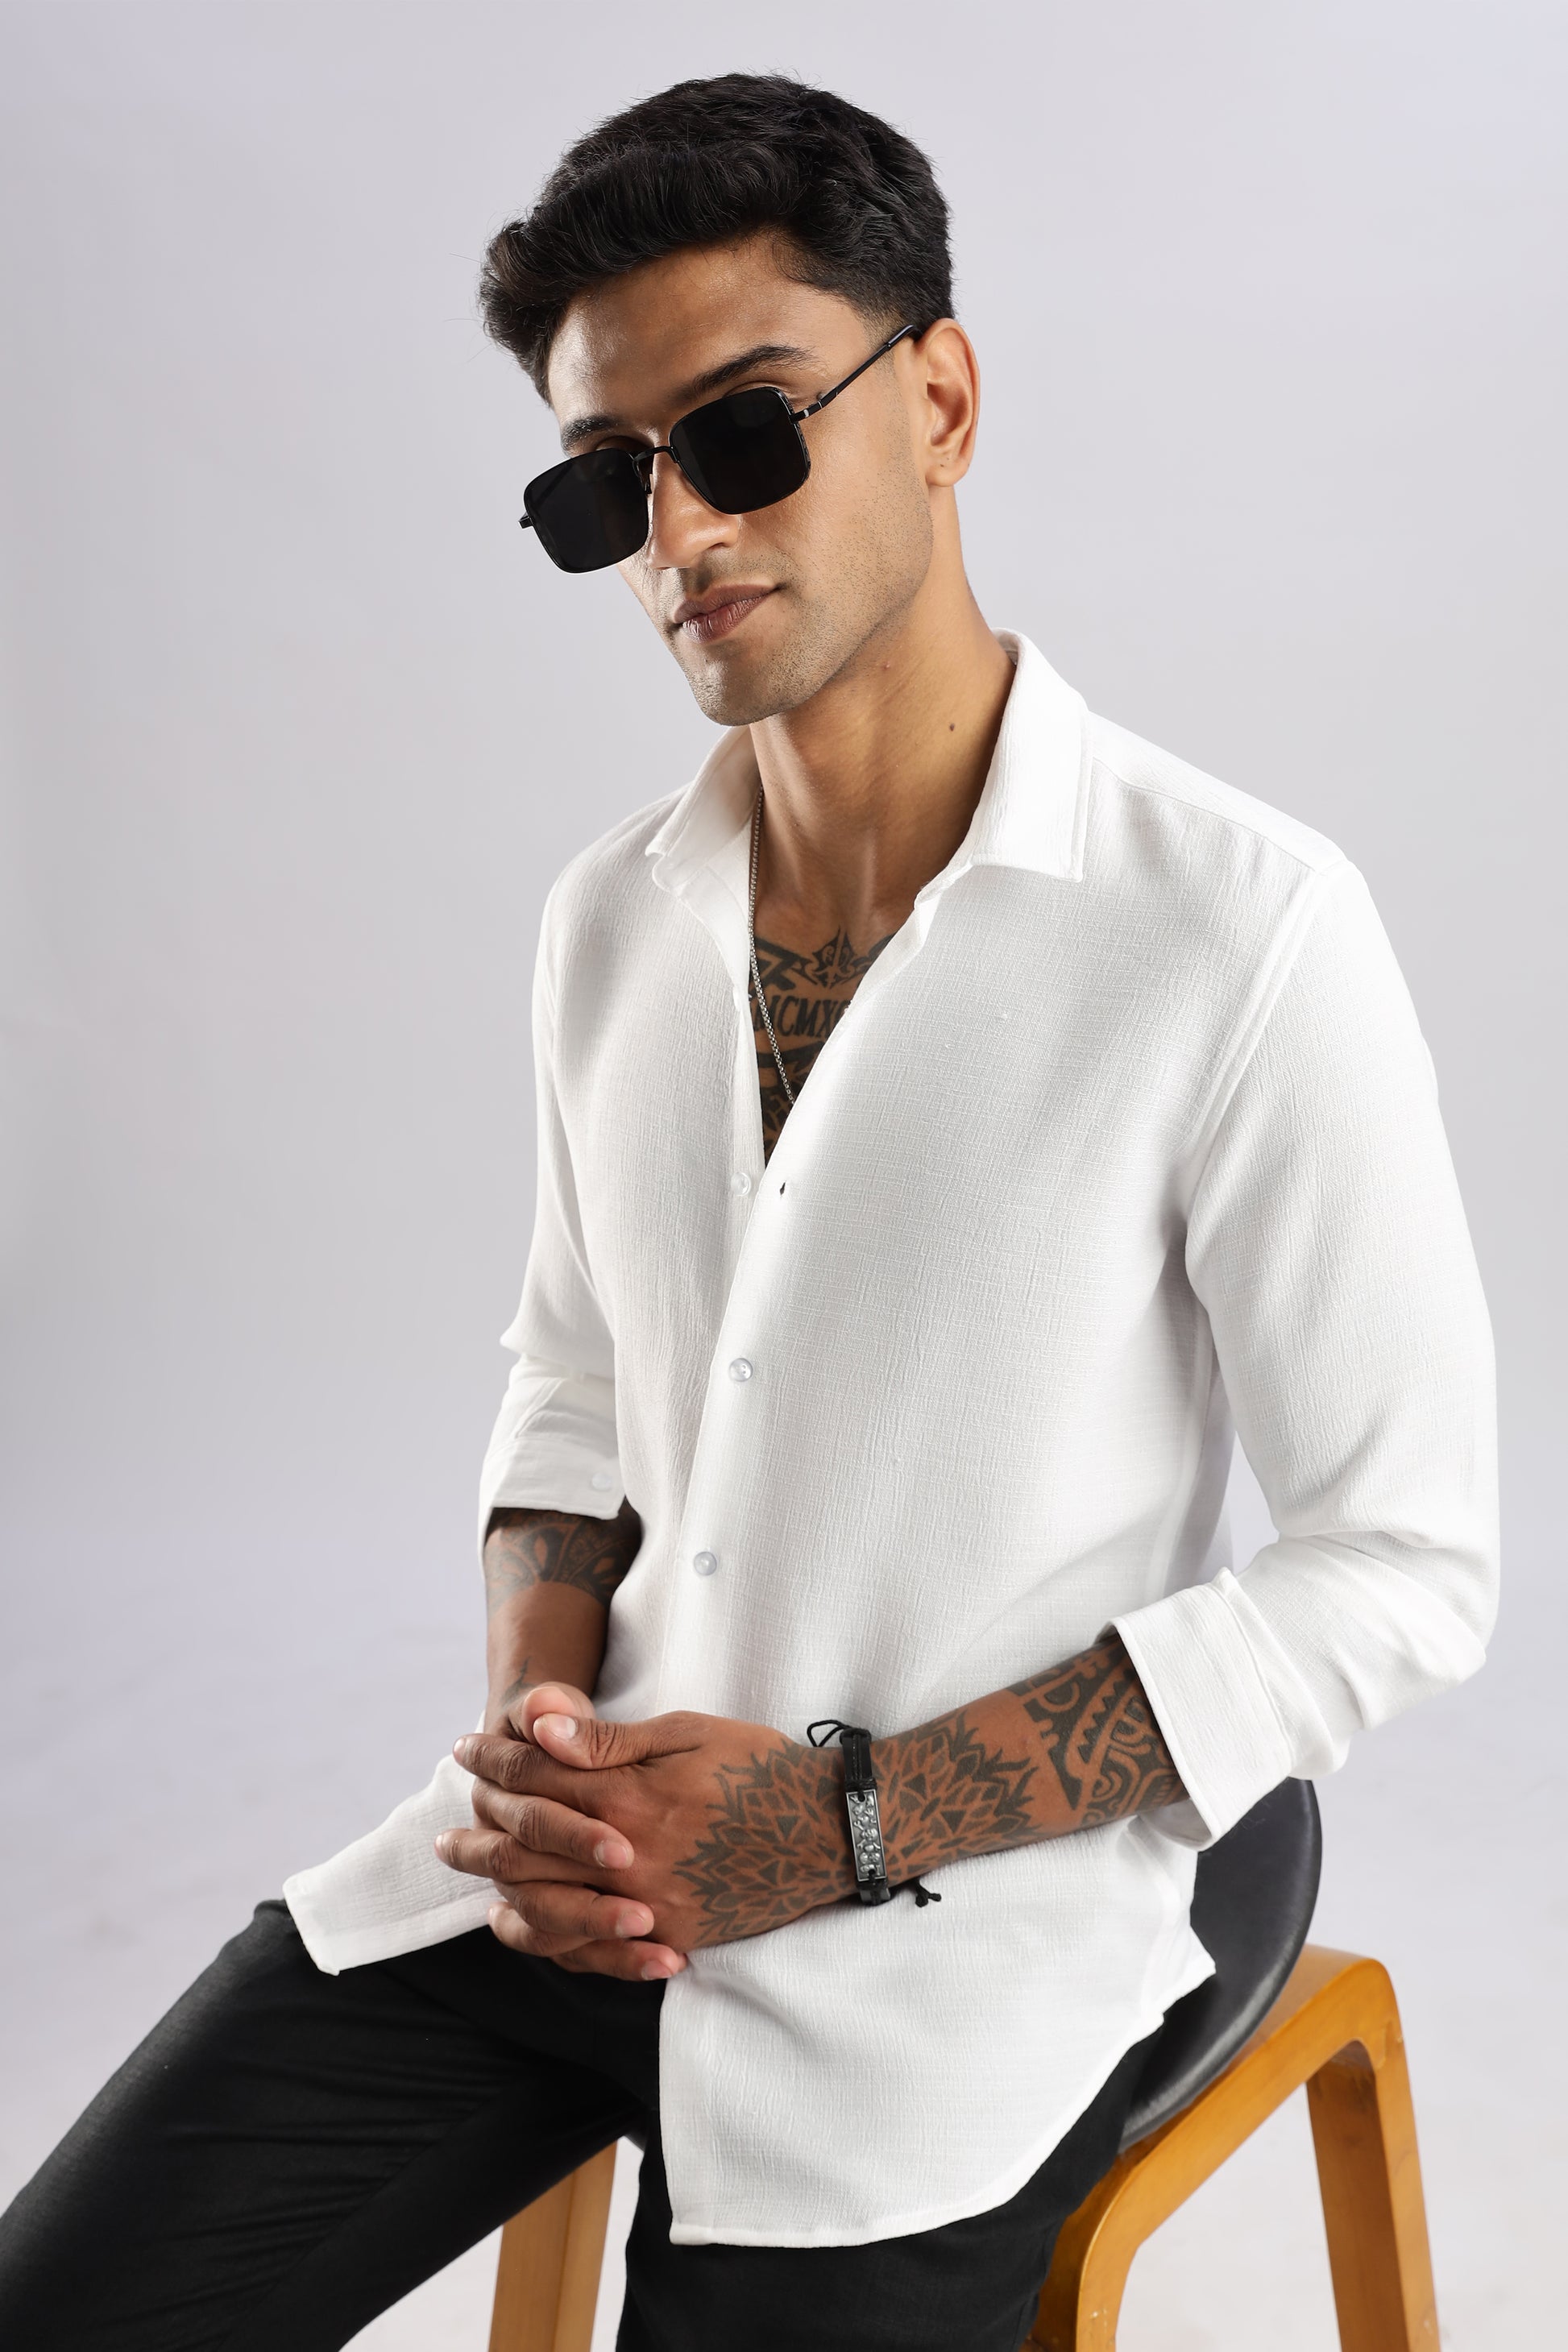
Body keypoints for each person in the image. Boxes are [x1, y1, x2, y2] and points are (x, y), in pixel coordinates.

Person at [0, 71, 1498, 2352]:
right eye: (608, 480)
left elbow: (1401, 1565)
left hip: (967, 1926)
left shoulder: (1238, 932)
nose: (678, 531)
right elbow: (572, 1380)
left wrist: (834, 1825)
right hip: (561, 1880)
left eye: (742, 432)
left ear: (942, 401)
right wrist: (538, 1728)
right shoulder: (609, 921)